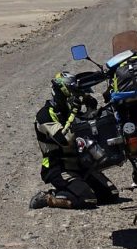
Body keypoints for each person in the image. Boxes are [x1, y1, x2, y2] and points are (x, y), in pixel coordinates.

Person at [29, 72, 119, 209]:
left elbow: (90, 127)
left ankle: (76, 188)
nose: (73, 96)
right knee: (87, 200)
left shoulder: (69, 110)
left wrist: (91, 107)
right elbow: (65, 140)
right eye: (70, 92)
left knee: (111, 194)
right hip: (59, 167)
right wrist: (74, 113)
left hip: (80, 164)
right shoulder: (45, 114)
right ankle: (49, 197)